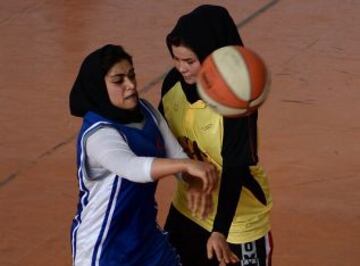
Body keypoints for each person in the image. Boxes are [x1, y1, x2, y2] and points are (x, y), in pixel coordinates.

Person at [68, 44, 218, 266]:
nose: (130, 85)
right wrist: (186, 166)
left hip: (146, 239)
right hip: (105, 248)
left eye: (131, 75)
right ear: (99, 86)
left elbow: (175, 154)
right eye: (118, 81)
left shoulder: (146, 111)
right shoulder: (98, 134)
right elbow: (133, 168)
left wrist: (191, 181)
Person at [158, 5, 273, 266]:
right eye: (175, 59)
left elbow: (235, 169)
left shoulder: (236, 101)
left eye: (189, 61)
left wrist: (220, 230)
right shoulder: (173, 84)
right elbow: (161, 138)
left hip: (237, 220)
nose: (181, 68)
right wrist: (186, 175)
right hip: (190, 208)